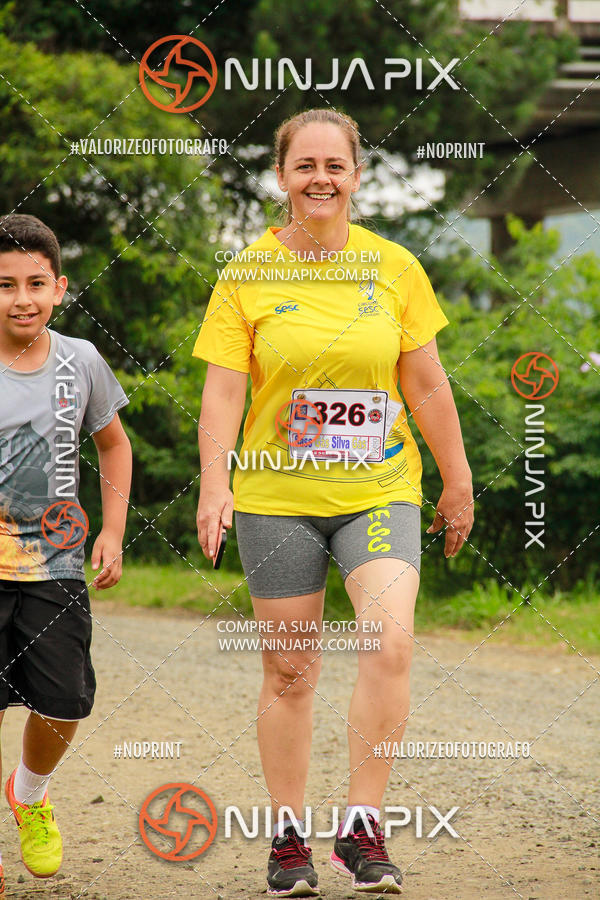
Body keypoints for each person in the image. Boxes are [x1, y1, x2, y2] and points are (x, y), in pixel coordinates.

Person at [194, 109, 473, 897]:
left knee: (388, 642)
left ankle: (362, 827)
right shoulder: (245, 272)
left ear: (356, 175)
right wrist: (215, 484)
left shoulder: (395, 268)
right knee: (290, 670)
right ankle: (288, 839)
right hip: (276, 494)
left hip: (380, 489)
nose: (321, 177)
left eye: (336, 165)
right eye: (305, 164)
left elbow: (424, 381)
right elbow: (222, 392)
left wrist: (456, 477)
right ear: (281, 176)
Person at [0, 214, 131, 893]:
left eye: (35, 284)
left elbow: (112, 443)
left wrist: (111, 531)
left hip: (55, 562)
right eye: (4, 285)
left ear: (59, 288)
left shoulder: (80, 361)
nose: (21, 298)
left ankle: (29, 792)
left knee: (64, 702)